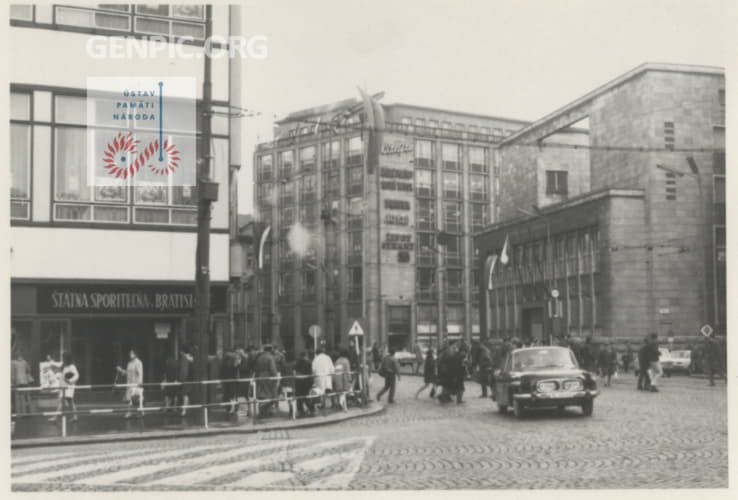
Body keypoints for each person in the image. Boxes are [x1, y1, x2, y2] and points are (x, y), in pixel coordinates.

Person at [48, 353, 79, 422]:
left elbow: (76, 375)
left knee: (62, 402)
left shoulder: (72, 366)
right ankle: (75, 416)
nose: (63, 359)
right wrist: (51, 360)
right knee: (71, 402)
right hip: (64, 386)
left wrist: (70, 381)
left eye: (64, 358)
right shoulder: (64, 366)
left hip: (68, 387)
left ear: (67, 359)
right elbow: (57, 365)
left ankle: (55, 417)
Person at [116, 349, 143, 419]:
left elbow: (140, 373)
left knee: (133, 399)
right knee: (133, 399)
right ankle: (140, 412)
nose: (130, 355)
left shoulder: (138, 362)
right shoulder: (129, 363)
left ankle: (129, 412)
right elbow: (127, 373)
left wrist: (140, 382)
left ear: (135, 354)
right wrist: (121, 370)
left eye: (132, 353)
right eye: (130, 353)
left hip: (135, 383)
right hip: (129, 384)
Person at [254, 345, 279, 417]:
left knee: (261, 395)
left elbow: (256, 368)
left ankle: (263, 411)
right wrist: (275, 377)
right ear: (270, 350)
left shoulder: (259, 357)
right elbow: (273, 369)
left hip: (259, 376)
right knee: (271, 395)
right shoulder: (270, 357)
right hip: (268, 377)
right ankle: (266, 410)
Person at [11, 351, 34, 415]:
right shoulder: (25, 362)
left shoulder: (13, 363)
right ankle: (26, 412)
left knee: (18, 398)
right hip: (25, 382)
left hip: (17, 382)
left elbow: (13, 373)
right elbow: (29, 370)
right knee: (25, 397)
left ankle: (19, 413)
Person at [221, 346, 242, 414]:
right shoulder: (236, 358)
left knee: (228, 394)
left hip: (227, 378)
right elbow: (236, 367)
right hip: (234, 379)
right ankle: (234, 408)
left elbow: (222, 369)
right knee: (233, 394)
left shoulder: (225, 359)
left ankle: (230, 408)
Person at [294, 352, 315, 417]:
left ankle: (300, 411)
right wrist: (311, 383)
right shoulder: (308, 363)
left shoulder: (296, 363)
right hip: (306, 381)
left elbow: (295, 372)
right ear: (306, 356)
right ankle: (312, 410)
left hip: (298, 381)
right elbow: (310, 373)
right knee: (306, 397)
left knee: (299, 398)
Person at [178, 345, 194, 416]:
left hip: (186, 379)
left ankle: (184, 410)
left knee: (185, 395)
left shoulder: (184, 358)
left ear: (183, 352)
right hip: (191, 378)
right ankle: (186, 408)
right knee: (187, 395)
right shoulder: (191, 358)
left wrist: (181, 379)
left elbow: (184, 370)